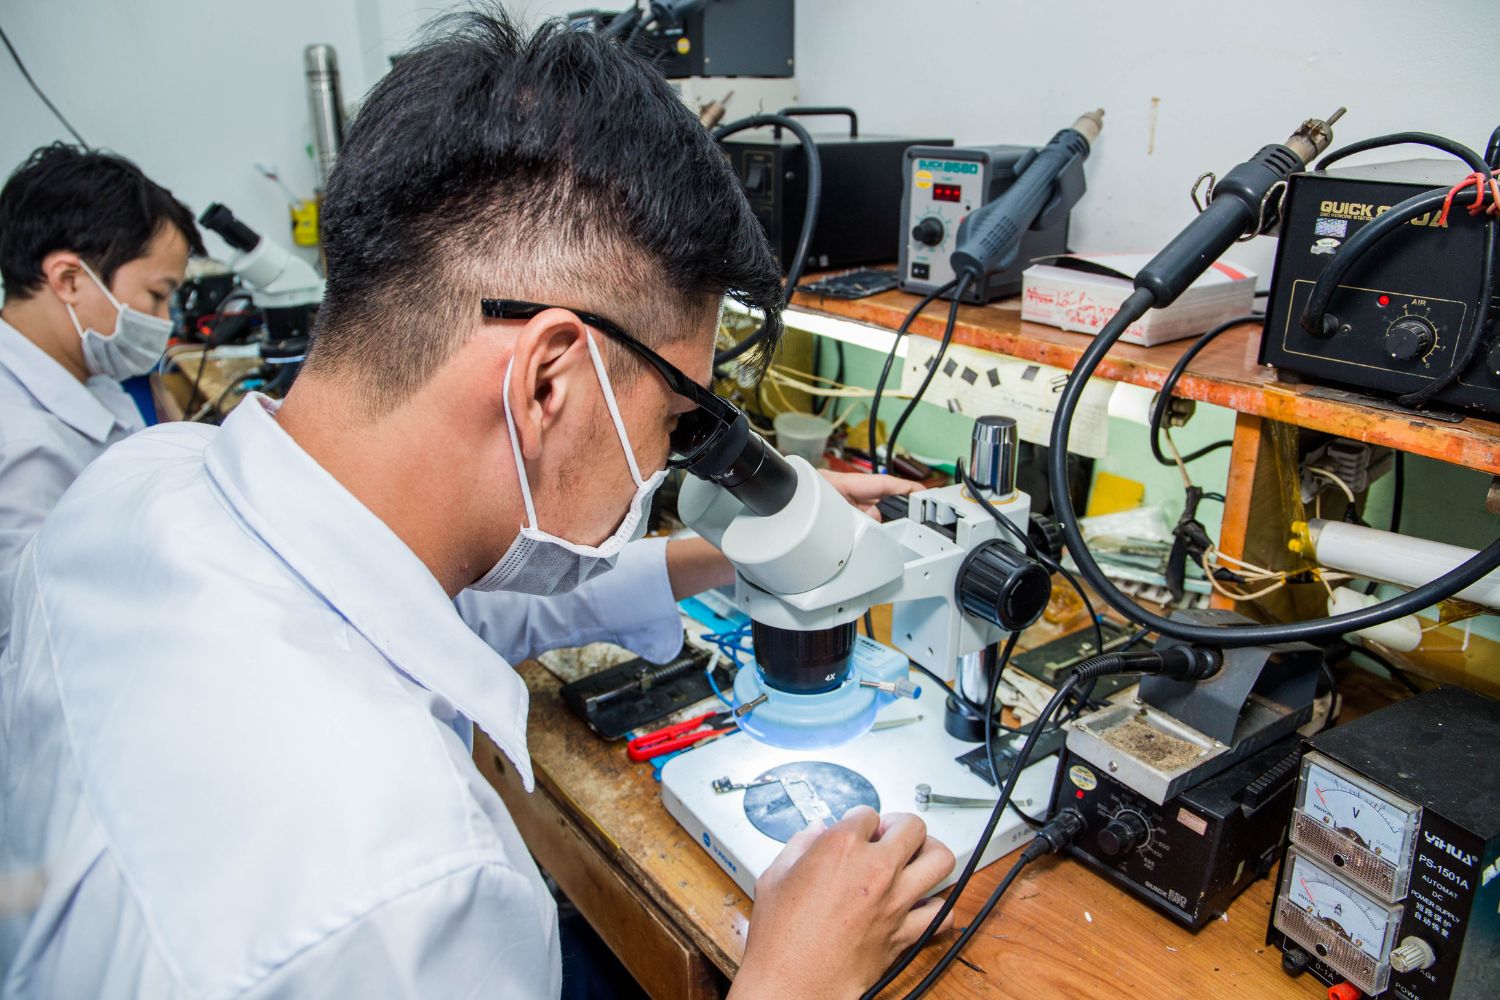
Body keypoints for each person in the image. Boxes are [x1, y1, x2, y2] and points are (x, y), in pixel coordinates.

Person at [0, 10, 954, 1000]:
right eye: (677, 422)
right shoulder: (415, 890)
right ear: (547, 381)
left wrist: (734, 547)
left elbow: (449, 606)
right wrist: (791, 978)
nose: (664, 462)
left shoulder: (138, 482)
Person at [0, 144, 203, 652]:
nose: (165, 320)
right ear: (69, 279)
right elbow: (31, 640)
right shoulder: (20, 445)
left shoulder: (86, 373)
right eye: (157, 295)